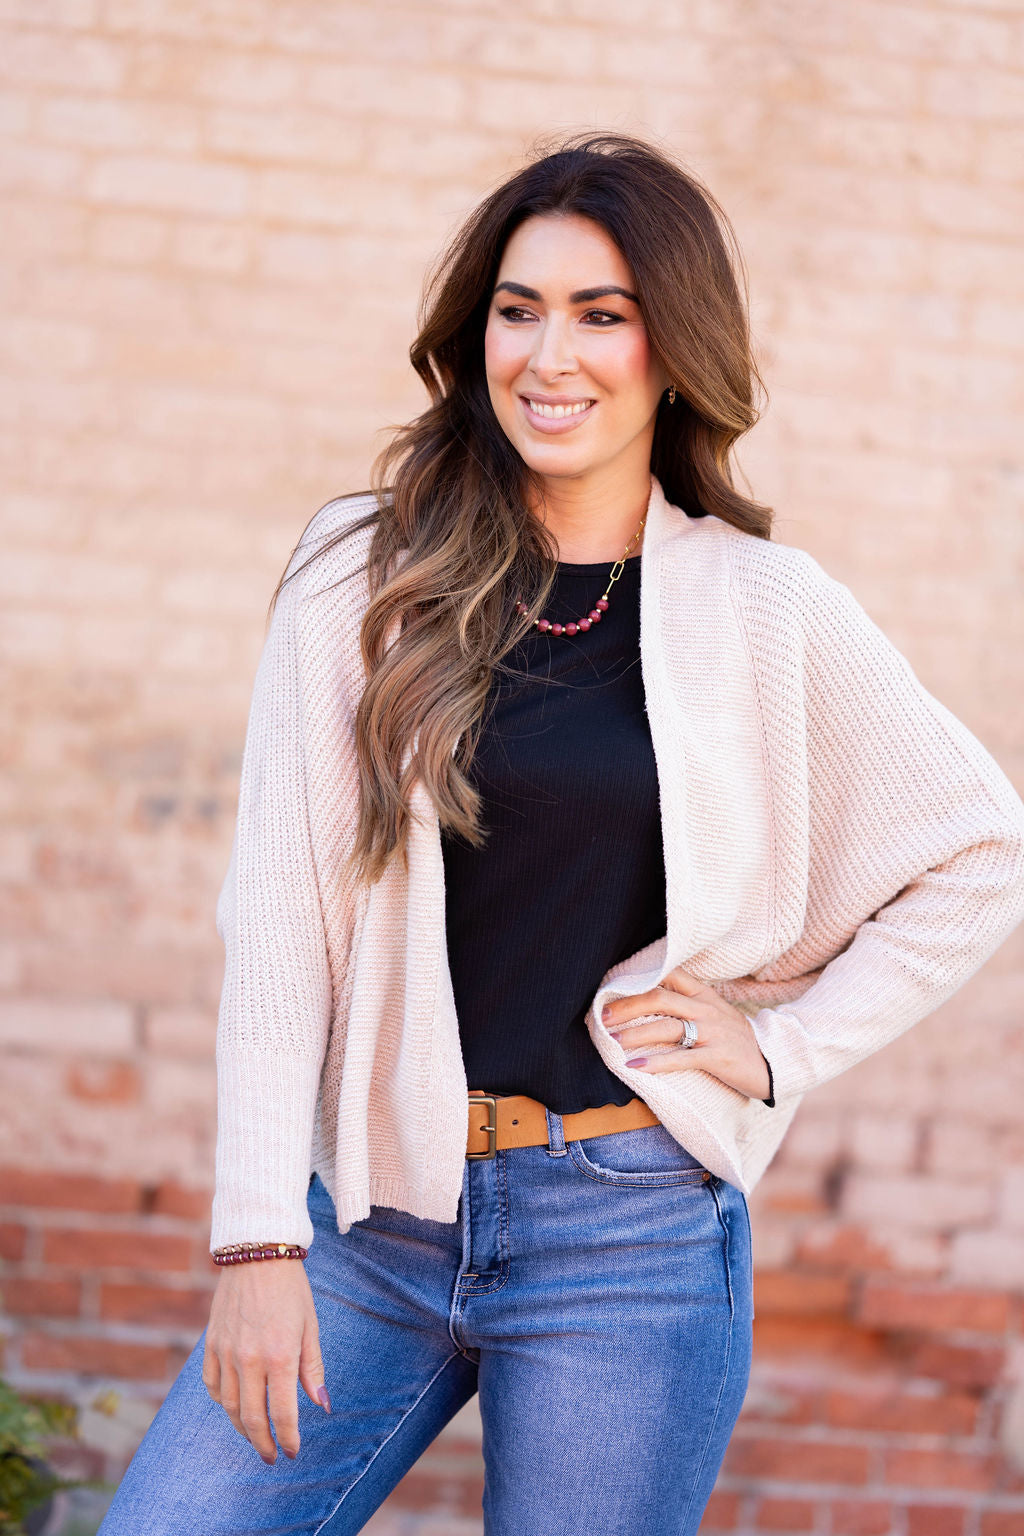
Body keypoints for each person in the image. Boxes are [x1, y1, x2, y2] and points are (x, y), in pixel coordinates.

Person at [98, 132, 1024, 1536]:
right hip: (372, 1225)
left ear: (674, 349)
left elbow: (981, 848)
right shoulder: (362, 573)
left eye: (603, 315)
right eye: (519, 309)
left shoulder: (764, 606)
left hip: (628, 1235)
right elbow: (283, 923)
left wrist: (784, 1047)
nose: (550, 356)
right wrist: (256, 1242)